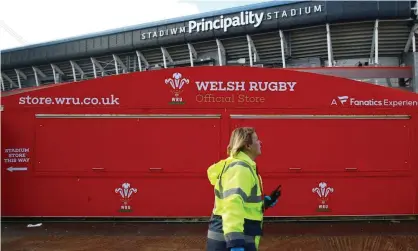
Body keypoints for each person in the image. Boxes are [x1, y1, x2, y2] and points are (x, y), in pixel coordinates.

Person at [206, 127, 280, 251]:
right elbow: (232, 204)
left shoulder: (241, 166)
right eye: (256, 140)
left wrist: (264, 203)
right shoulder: (240, 168)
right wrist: (235, 243)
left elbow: (241, 203)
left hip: (229, 236)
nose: (260, 143)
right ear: (247, 146)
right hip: (231, 240)